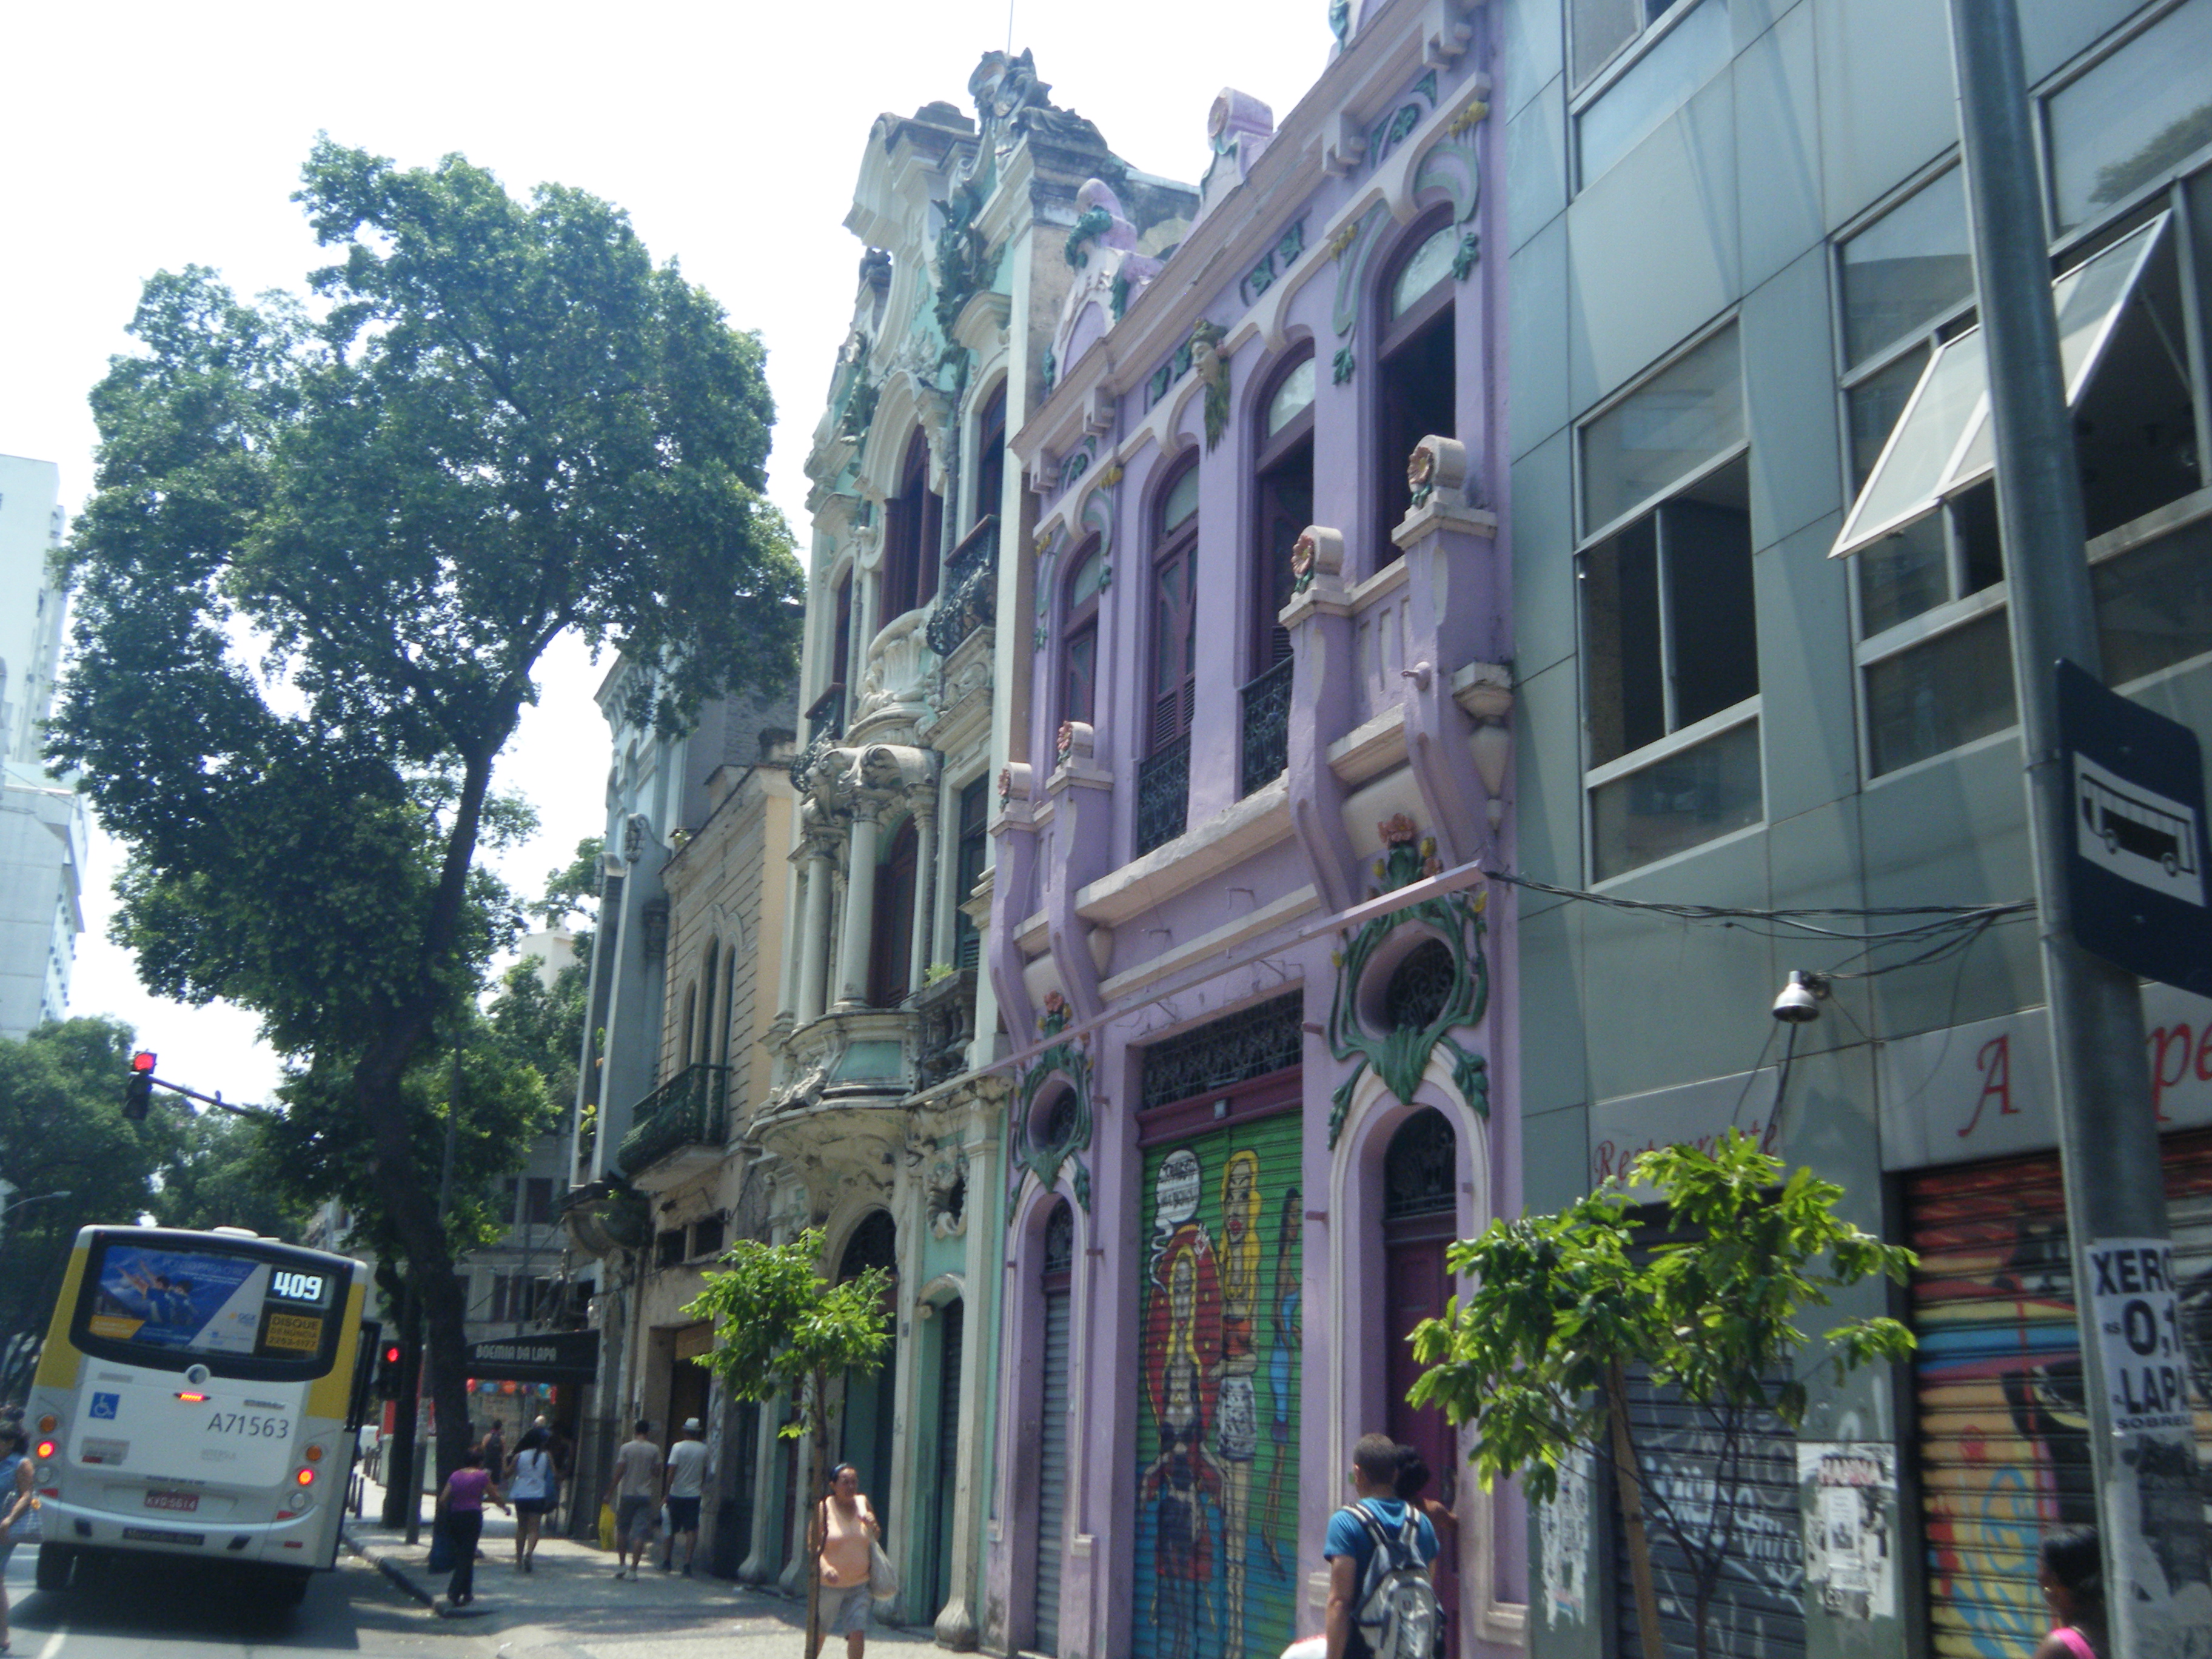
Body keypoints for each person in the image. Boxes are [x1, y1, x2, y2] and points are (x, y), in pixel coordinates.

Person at [1324, 1433, 1439, 1659]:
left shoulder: (1345, 1522)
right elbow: (1426, 1589)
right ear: (1395, 1474)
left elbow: (1340, 1603)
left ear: (1358, 1473)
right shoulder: (1422, 1524)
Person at [811, 1463, 881, 1659]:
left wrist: (873, 1526)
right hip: (830, 1585)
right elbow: (812, 1544)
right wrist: (825, 1567)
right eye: (845, 1482)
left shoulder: (862, 1503)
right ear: (833, 1485)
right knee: (820, 1632)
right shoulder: (824, 1508)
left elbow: (875, 1536)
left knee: (857, 1632)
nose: (851, 1486)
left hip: (860, 1584)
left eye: (854, 1482)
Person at [437, 1448, 509, 1609]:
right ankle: (454, 1591)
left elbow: (442, 1499)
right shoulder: (482, 1476)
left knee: (464, 1553)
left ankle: (467, 1592)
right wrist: (505, 1508)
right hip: (472, 1517)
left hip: (456, 1516)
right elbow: (495, 1496)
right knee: (467, 1554)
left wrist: (449, 1512)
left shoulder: (455, 1475)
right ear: (480, 1462)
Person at [2034, 1527, 2107, 1659]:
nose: (2038, 1578)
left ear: (2053, 1581)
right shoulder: (2121, 1630)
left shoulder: (2060, 1648)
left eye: (2039, 1567)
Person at [603, 1421, 663, 1580]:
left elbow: (619, 1472)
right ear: (648, 1432)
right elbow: (657, 1473)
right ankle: (634, 1570)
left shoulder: (626, 1448)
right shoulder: (654, 1449)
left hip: (627, 1494)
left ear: (635, 1431)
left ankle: (622, 1565)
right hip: (645, 1495)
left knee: (622, 1530)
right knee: (640, 1533)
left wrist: (609, 1493)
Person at [0, 1423, 39, 1654]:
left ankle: (3, 1633)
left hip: (4, 1528)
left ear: (10, 1443)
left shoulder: (21, 1464)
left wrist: (9, 1520)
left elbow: (28, 1496)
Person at [662, 1417, 708, 1575]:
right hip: (694, 1495)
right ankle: (687, 1564)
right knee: (691, 1530)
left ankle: (667, 1561)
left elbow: (671, 1471)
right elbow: (704, 1472)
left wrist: (666, 1493)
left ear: (685, 1431)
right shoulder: (704, 1449)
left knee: (670, 1528)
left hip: (677, 1493)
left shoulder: (678, 1447)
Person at [508, 1427, 557, 1572]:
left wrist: (504, 1460)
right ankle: (529, 1553)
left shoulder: (519, 1456)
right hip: (538, 1494)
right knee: (534, 1528)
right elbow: (554, 1474)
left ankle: (518, 1561)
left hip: (521, 1494)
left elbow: (507, 1474)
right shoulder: (547, 1456)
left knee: (521, 1528)